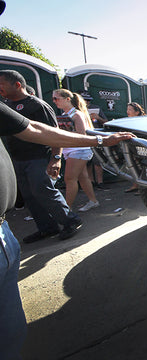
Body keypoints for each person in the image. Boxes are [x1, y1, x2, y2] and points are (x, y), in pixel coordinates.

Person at [0, 100, 133, 360]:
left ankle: (70, 216)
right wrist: (99, 142)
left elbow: (36, 129)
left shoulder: (40, 107)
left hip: (5, 232)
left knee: (11, 332)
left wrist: (90, 144)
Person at [0, 70, 83, 244]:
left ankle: (70, 220)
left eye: (1, 84)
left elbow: (54, 134)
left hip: (38, 158)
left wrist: (56, 158)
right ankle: (47, 228)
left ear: (17, 85)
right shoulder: (6, 105)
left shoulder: (38, 105)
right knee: (29, 196)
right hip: (18, 160)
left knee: (43, 191)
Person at [52, 89, 99, 212]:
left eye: (57, 98)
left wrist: (61, 133)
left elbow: (81, 135)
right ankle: (93, 201)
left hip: (78, 150)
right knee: (82, 177)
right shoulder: (67, 114)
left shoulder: (76, 114)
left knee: (70, 179)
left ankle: (67, 209)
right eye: (53, 98)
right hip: (72, 150)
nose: (54, 101)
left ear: (68, 99)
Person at [81, 92, 109, 191]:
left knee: (97, 161)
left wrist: (98, 118)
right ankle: (91, 182)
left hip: (95, 136)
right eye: (85, 100)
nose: (87, 102)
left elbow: (106, 122)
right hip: (83, 137)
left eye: (88, 100)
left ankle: (100, 182)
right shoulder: (76, 110)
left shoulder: (96, 108)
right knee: (87, 162)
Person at [124, 102, 146, 193]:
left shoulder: (141, 121)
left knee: (140, 167)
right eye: (127, 109)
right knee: (131, 166)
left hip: (140, 149)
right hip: (130, 148)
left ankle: (143, 188)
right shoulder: (127, 121)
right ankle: (135, 185)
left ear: (137, 112)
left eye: (130, 110)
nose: (127, 111)